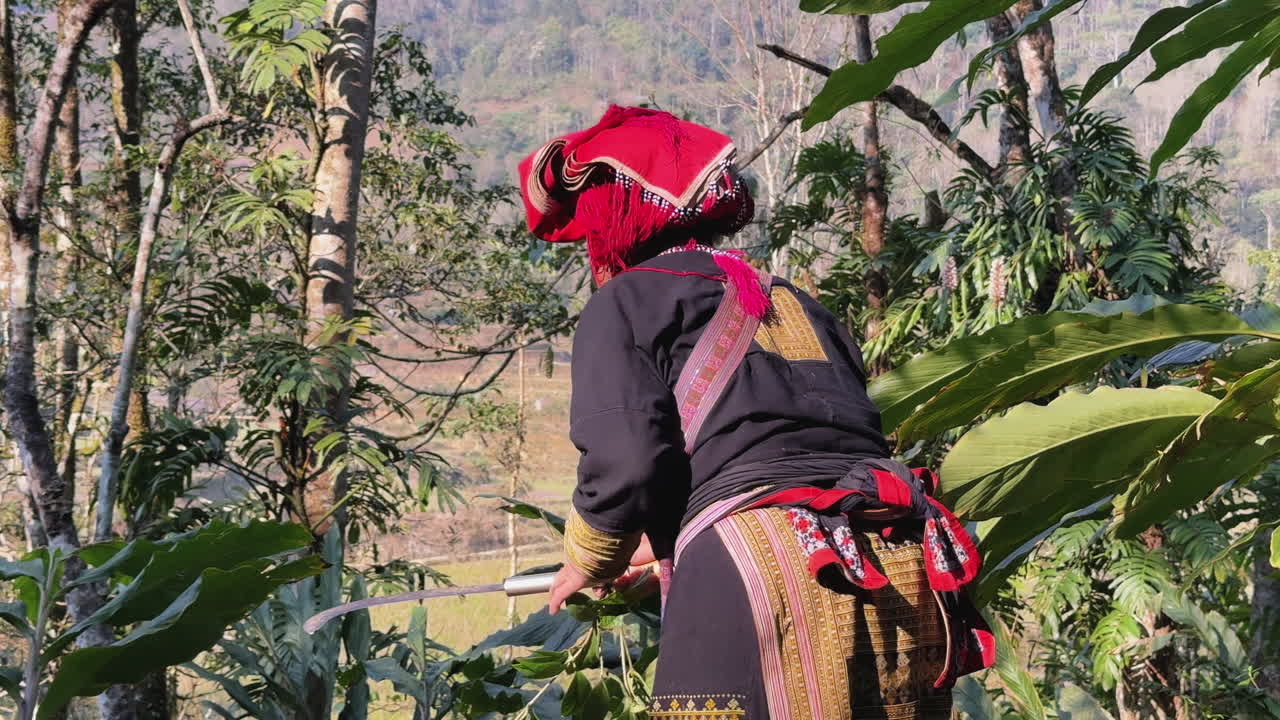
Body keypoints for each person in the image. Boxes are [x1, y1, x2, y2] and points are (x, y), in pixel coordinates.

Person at [518, 106, 992, 720]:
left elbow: (630, 463)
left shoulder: (625, 300)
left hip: (761, 567)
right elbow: (797, 453)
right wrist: (659, 549)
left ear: (612, 219)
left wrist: (591, 555)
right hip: (900, 554)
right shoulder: (797, 300)